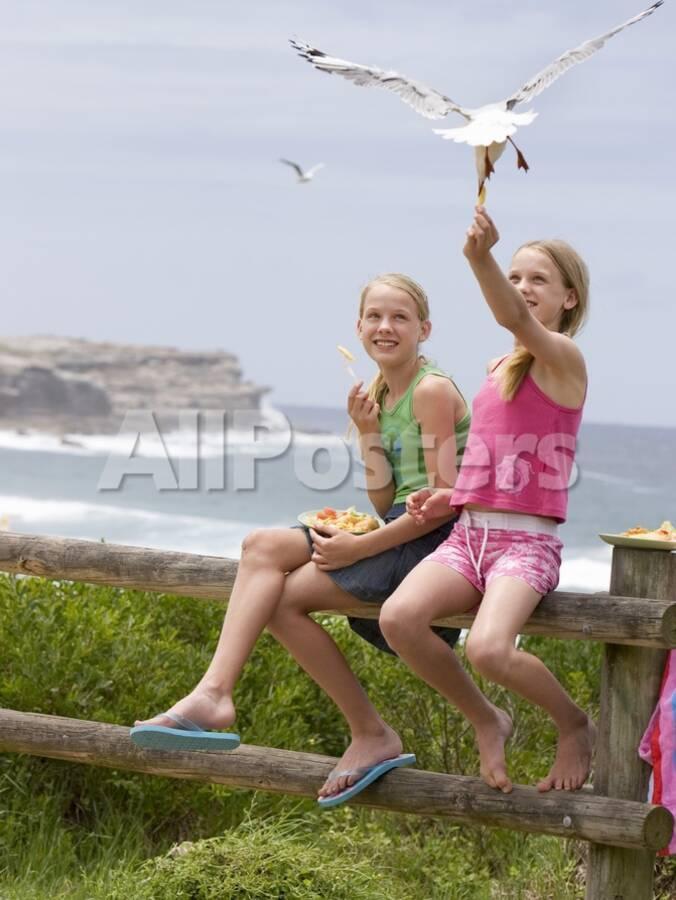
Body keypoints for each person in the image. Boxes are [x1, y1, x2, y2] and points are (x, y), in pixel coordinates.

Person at [133, 272, 471, 802]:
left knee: (283, 600)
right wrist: (367, 433)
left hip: (439, 544)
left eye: (400, 317)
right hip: (399, 528)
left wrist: (358, 547)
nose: (386, 326)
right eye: (375, 317)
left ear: (424, 329)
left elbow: (438, 506)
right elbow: (385, 502)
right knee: (260, 547)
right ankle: (213, 693)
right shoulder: (381, 393)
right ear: (358, 328)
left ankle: (371, 733)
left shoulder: (430, 391)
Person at [377, 207, 596, 794]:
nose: (524, 288)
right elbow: (496, 460)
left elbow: (514, 316)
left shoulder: (564, 362)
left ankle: (574, 724)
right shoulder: (499, 366)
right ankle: (486, 718)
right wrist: (447, 494)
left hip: (526, 546)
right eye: (517, 275)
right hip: (468, 535)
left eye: (538, 280)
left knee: (491, 649)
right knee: (398, 619)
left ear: (569, 299)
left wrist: (480, 258)